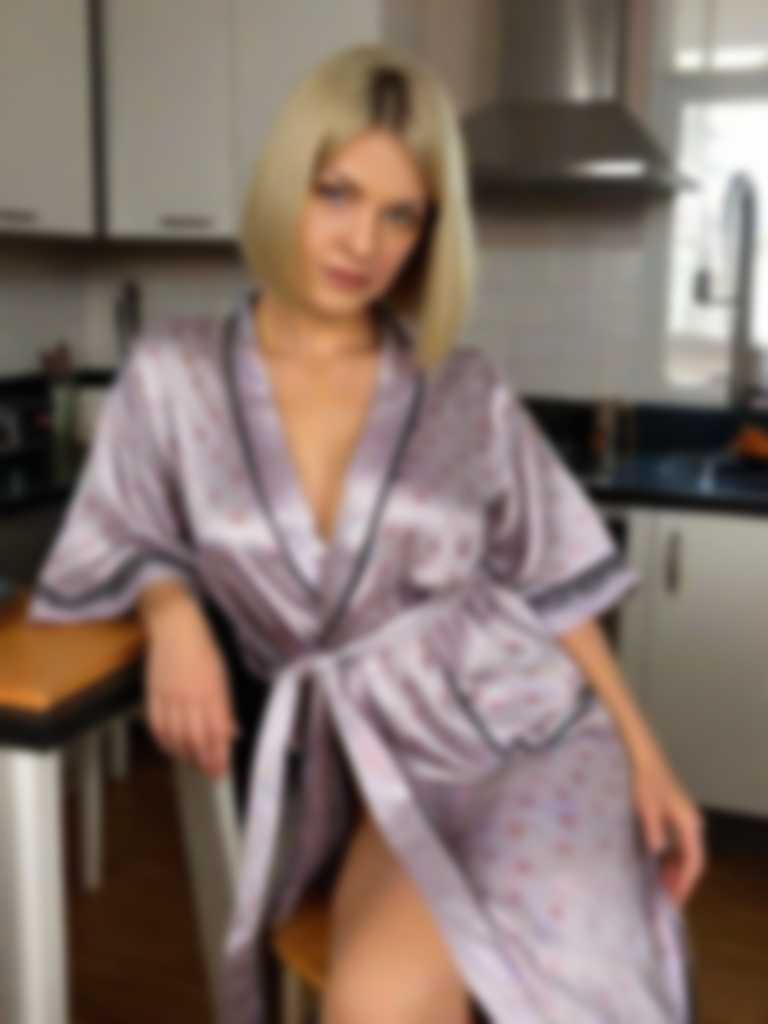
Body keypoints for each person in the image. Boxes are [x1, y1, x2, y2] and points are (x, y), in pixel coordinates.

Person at [26, 42, 706, 1024]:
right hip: (364, 764)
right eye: (337, 193)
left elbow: (558, 582)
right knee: (377, 1004)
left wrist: (647, 754)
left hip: (530, 739)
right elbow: (121, 525)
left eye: (401, 215)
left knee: (586, 981)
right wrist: (171, 611)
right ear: (286, 185)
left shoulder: (461, 387)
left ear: (429, 234)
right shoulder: (173, 373)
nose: (363, 242)